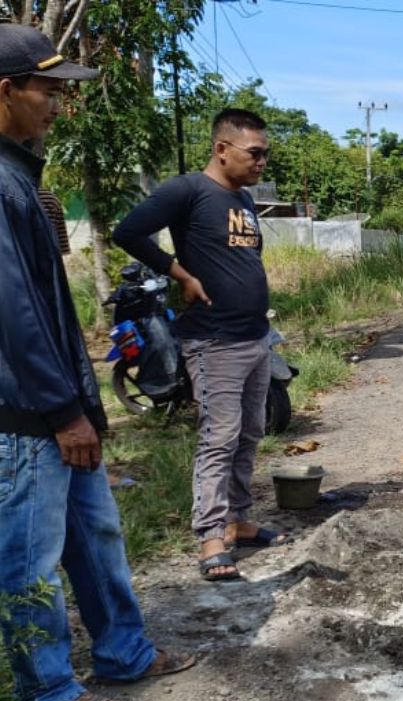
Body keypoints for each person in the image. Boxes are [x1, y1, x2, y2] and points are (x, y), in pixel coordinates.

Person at [0, 24, 195, 701]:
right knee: (29, 565)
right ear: (6, 92)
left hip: (58, 409)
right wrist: (63, 410)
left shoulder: (19, 178)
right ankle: (50, 694)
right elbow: (13, 314)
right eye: (48, 92)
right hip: (26, 419)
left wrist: (87, 404)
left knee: (98, 539)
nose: (59, 107)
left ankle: (125, 654)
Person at [113, 108, 288, 582]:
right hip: (214, 340)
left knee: (251, 432)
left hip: (254, 336)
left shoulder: (245, 200)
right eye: (255, 153)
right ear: (222, 149)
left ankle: (237, 520)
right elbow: (127, 232)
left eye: (265, 153)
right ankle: (211, 536)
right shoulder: (187, 190)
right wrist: (182, 275)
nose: (262, 161)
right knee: (220, 437)